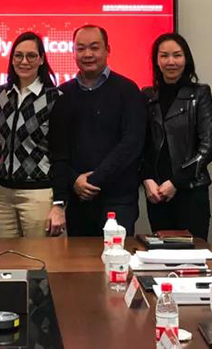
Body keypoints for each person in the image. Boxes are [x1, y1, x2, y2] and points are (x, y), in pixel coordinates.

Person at [48, 25, 147, 236]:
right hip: (78, 199)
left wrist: (93, 180)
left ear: (107, 50)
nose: (88, 54)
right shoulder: (62, 94)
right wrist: (75, 180)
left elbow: (131, 143)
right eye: (81, 48)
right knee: (79, 257)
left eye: (94, 47)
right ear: (73, 52)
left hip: (118, 199)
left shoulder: (127, 90)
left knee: (116, 256)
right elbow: (57, 148)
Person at [0, 31, 65, 237]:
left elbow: (61, 154)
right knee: (6, 256)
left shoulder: (54, 98)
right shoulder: (2, 94)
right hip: (3, 194)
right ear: (12, 59)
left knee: (38, 255)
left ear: (41, 59)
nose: (24, 61)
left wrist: (59, 203)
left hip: (38, 194)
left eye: (31, 56)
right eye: (18, 56)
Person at [140, 32, 212, 240]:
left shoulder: (200, 93)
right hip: (156, 193)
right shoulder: (147, 96)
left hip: (191, 190)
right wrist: (146, 179)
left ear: (186, 59)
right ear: (156, 60)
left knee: (193, 254)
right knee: (160, 254)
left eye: (177, 55)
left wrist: (176, 182)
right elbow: (142, 144)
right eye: (164, 56)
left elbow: (208, 146)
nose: (171, 61)